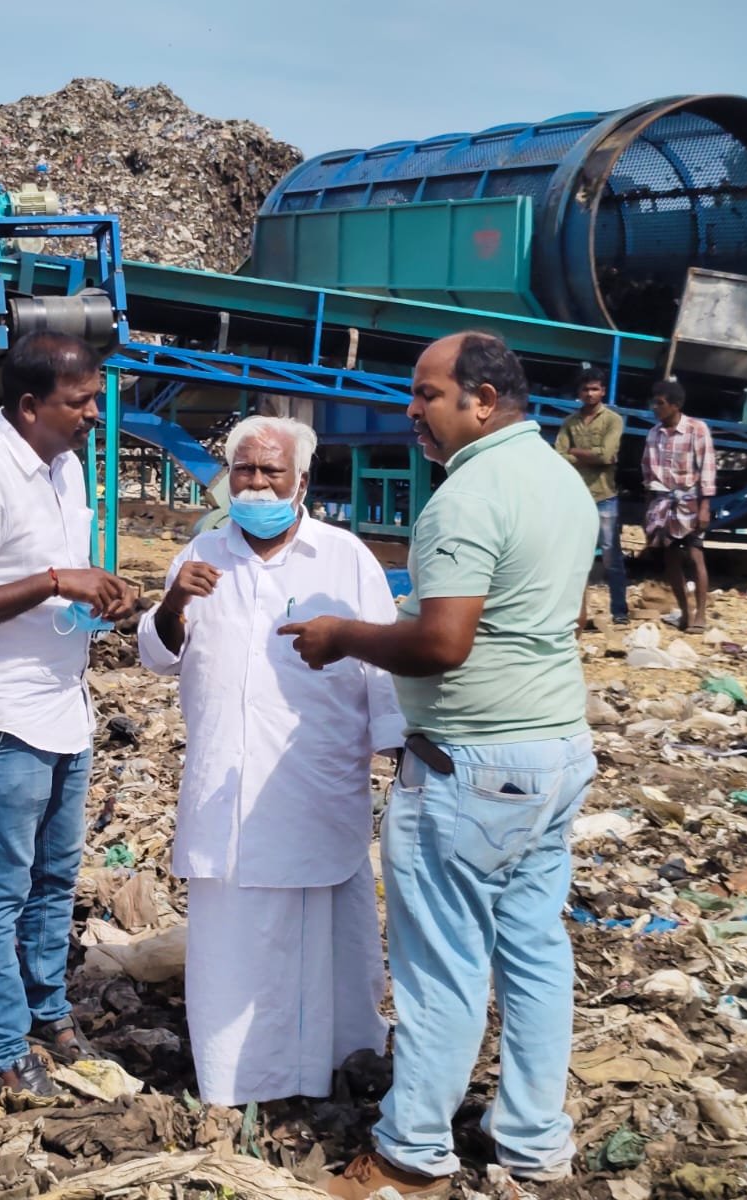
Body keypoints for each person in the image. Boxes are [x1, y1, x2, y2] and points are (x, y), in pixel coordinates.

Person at [280, 332, 597, 1198]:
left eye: (426, 393)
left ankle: (411, 1152)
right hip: (554, 749)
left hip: (474, 762)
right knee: (533, 950)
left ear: (482, 400)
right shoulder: (560, 480)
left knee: (442, 965)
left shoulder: (466, 497)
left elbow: (444, 644)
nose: (411, 410)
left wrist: (343, 635)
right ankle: (534, 1139)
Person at [137, 415, 404, 1106]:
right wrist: (173, 602)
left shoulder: (345, 558)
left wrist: (398, 751)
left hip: (314, 782)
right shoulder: (203, 552)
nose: (256, 484)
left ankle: (332, 1071)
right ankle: (239, 1083)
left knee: (326, 943)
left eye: (270, 472)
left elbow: (382, 670)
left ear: (301, 481)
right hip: (226, 789)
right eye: (245, 472)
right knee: (234, 945)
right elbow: (158, 655)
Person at [0, 331, 138, 1096]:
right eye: (78, 402)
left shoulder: (66, 468)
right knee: (0, 888)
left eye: (94, 399)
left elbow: (64, 577)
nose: (92, 414)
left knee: (55, 879)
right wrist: (56, 580)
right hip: (4, 716)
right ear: (27, 405)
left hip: (66, 705)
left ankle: (50, 1013)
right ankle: (5, 1047)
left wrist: (99, 592)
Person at [554, 368, 629, 628]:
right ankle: (574, 613)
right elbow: (558, 455)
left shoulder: (613, 420)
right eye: (585, 389)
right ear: (579, 392)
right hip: (575, 495)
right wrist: (591, 454)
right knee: (573, 557)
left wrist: (575, 452)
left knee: (611, 557)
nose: (590, 393)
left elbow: (608, 455)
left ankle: (619, 612)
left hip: (604, 495)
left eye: (595, 388)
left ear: (603, 391)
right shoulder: (569, 423)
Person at [642, 379, 717, 633]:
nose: (655, 408)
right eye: (654, 402)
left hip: (690, 501)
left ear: (675, 405)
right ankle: (685, 612)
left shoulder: (697, 429)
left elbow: (707, 468)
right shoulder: (654, 434)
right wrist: (648, 510)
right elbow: (648, 473)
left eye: (660, 403)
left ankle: (701, 615)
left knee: (696, 556)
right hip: (663, 503)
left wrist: (705, 506)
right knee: (671, 558)